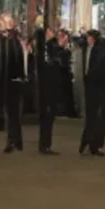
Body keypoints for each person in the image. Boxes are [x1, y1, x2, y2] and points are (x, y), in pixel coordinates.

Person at [0, 13, 26, 153]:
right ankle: (16, 140)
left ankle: (12, 140)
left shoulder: (11, 41)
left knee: (11, 112)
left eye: (2, 22)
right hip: (10, 81)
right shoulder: (7, 40)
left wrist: (17, 76)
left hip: (11, 81)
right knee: (12, 113)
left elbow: (14, 61)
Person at [35, 25, 63, 155]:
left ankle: (45, 143)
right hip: (48, 88)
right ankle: (45, 144)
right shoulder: (48, 49)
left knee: (47, 117)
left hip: (46, 88)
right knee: (47, 116)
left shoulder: (44, 50)